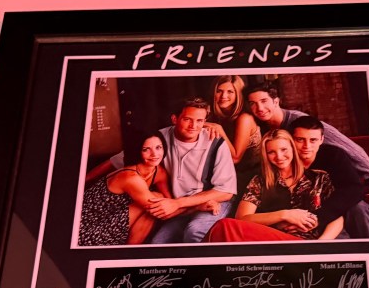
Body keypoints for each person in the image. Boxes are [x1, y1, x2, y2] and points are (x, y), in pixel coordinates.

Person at [206, 129, 342, 242]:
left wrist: (322, 243)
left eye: (284, 149)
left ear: (293, 148)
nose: (279, 156)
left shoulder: (320, 177)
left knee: (224, 227)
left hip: (308, 242)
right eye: (271, 152)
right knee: (225, 226)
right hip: (272, 240)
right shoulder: (260, 181)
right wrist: (284, 215)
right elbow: (242, 218)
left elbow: (338, 216)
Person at [245, 81, 369, 191]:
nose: (260, 108)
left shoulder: (299, 121)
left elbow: (349, 148)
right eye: (253, 104)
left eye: (264, 101)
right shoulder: (262, 127)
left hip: (336, 178)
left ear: (276, 102)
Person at [148, 97, 238, 243]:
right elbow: (124, 160)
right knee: (158, 244)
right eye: (187, 119)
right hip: (182, 208)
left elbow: (226, 191)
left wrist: (178, 203)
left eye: (199, 121)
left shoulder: (216, 142)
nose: (193, 126)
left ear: (205, 121)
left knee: (194, 232)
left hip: (212, 202)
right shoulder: (159, 139)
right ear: (174, 119)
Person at [289, 115, 369, 238]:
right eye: (300, 140)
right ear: (291, 139)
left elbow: (353, 189)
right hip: (304, 211)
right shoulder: (284, 159)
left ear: (321, 140)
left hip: (335, 206)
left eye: (313, 140)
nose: (307, 146)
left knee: (359, 208)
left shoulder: (333, 155)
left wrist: (320, 217)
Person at [78, 132, 171, 246]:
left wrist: (179, 205)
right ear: (138, 151)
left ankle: (131, 250)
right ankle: (130, 250)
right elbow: (163, 209)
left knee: (156, 202)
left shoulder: (159, 172)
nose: (154, 154)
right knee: (155, 201)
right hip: (87, 226)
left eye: (158, 147)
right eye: (146, 149)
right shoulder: (130, 177)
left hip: (115, 218)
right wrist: (189, 204)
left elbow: (169, 202)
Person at [202, 75, 260, 187]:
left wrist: (219, 129)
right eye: (219, 91)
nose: (224, 96)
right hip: (225, 172)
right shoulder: (214, 115)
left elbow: (235, 158)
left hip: (250, 175)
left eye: (230, 92)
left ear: (238, 94)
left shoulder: (245, 118)